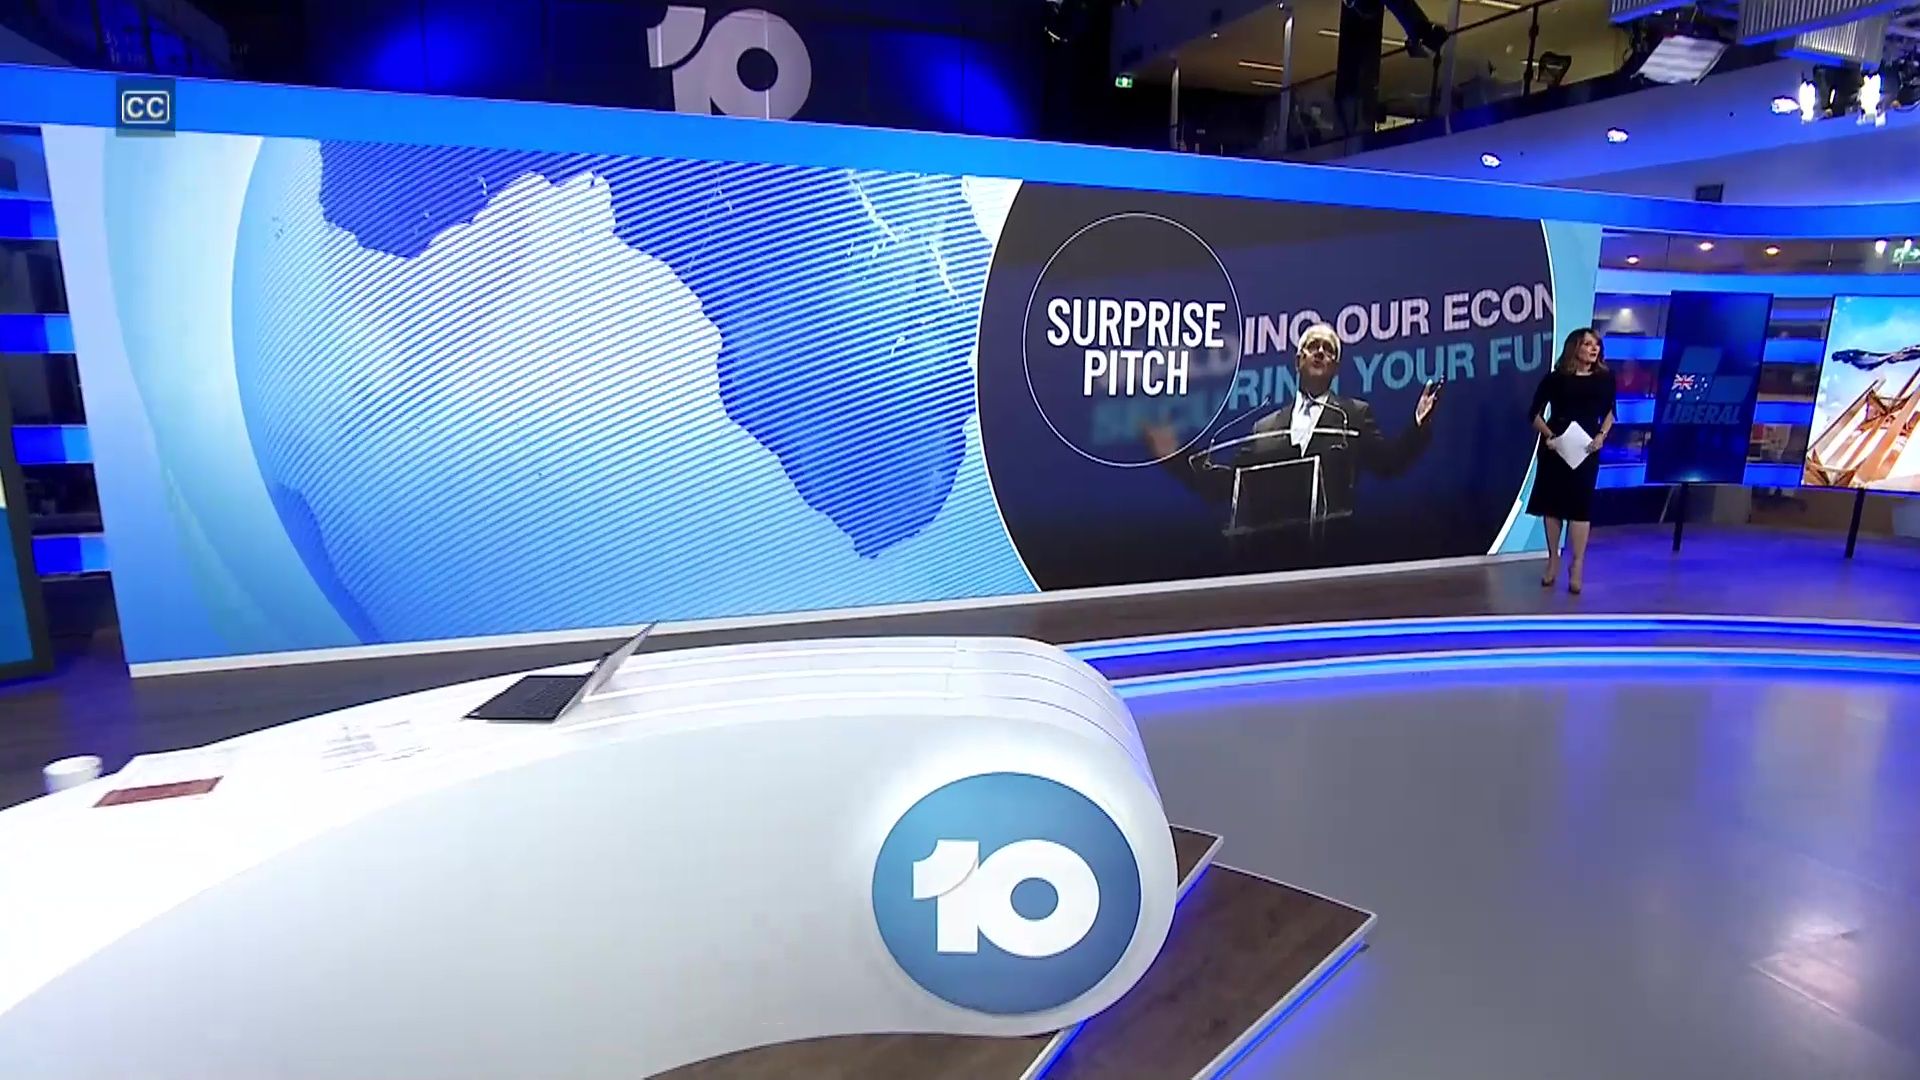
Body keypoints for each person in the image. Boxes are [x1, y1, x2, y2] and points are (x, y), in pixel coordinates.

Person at [1144, 322, 1440, 527]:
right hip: (1269, 557)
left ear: (1336, 368)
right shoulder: (1264, 428)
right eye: (1313, 346)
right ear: (1298, 361)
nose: (1320, 352)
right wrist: (1176, 456)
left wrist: (1418, 426)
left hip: (1330, 552)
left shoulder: (1353, 415)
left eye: (1328, 349)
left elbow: (1389, 464)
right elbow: (1226, 485)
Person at [1527, 327, 1615, 595]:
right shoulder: (1555, 379)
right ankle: (1553, 559)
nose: (1594, 348)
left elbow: (1611, 412)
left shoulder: (1605, 379)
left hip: (1587, 448)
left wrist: (1601, 436)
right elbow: (1534, 415)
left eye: (1596, 344)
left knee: (1580, 508)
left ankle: (1577, 565)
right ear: (1574, 347)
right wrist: (1550, 436)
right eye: (1587, 344)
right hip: (1556, 447)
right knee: (1552, 506)